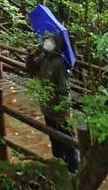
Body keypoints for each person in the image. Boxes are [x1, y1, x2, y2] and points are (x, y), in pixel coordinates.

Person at [26, 32, 79, 173]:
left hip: (60, 110)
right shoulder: (44, 57)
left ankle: (74, 169)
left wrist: (57, 101)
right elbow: (31, 69)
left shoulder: (58, 63)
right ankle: (58, 166)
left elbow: (64, 89)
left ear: (56, 44)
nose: (47, 41)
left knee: (68, 141)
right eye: (47, 39)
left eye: (50, 40)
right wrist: (30, 55)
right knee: (54, 139)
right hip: (47, 108)